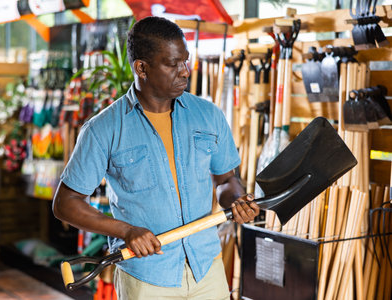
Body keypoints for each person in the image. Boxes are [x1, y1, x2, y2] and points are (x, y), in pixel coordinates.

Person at [52, 16, 260, 300]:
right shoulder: (104, 128)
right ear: (142, 67)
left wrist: (235, 200)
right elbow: (66, 203)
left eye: (185, 61)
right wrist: (126, 231)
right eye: (172, 64)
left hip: (206, 269)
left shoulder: (208, 115)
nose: (184, 71)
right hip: (146, 277)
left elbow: (226, 180)